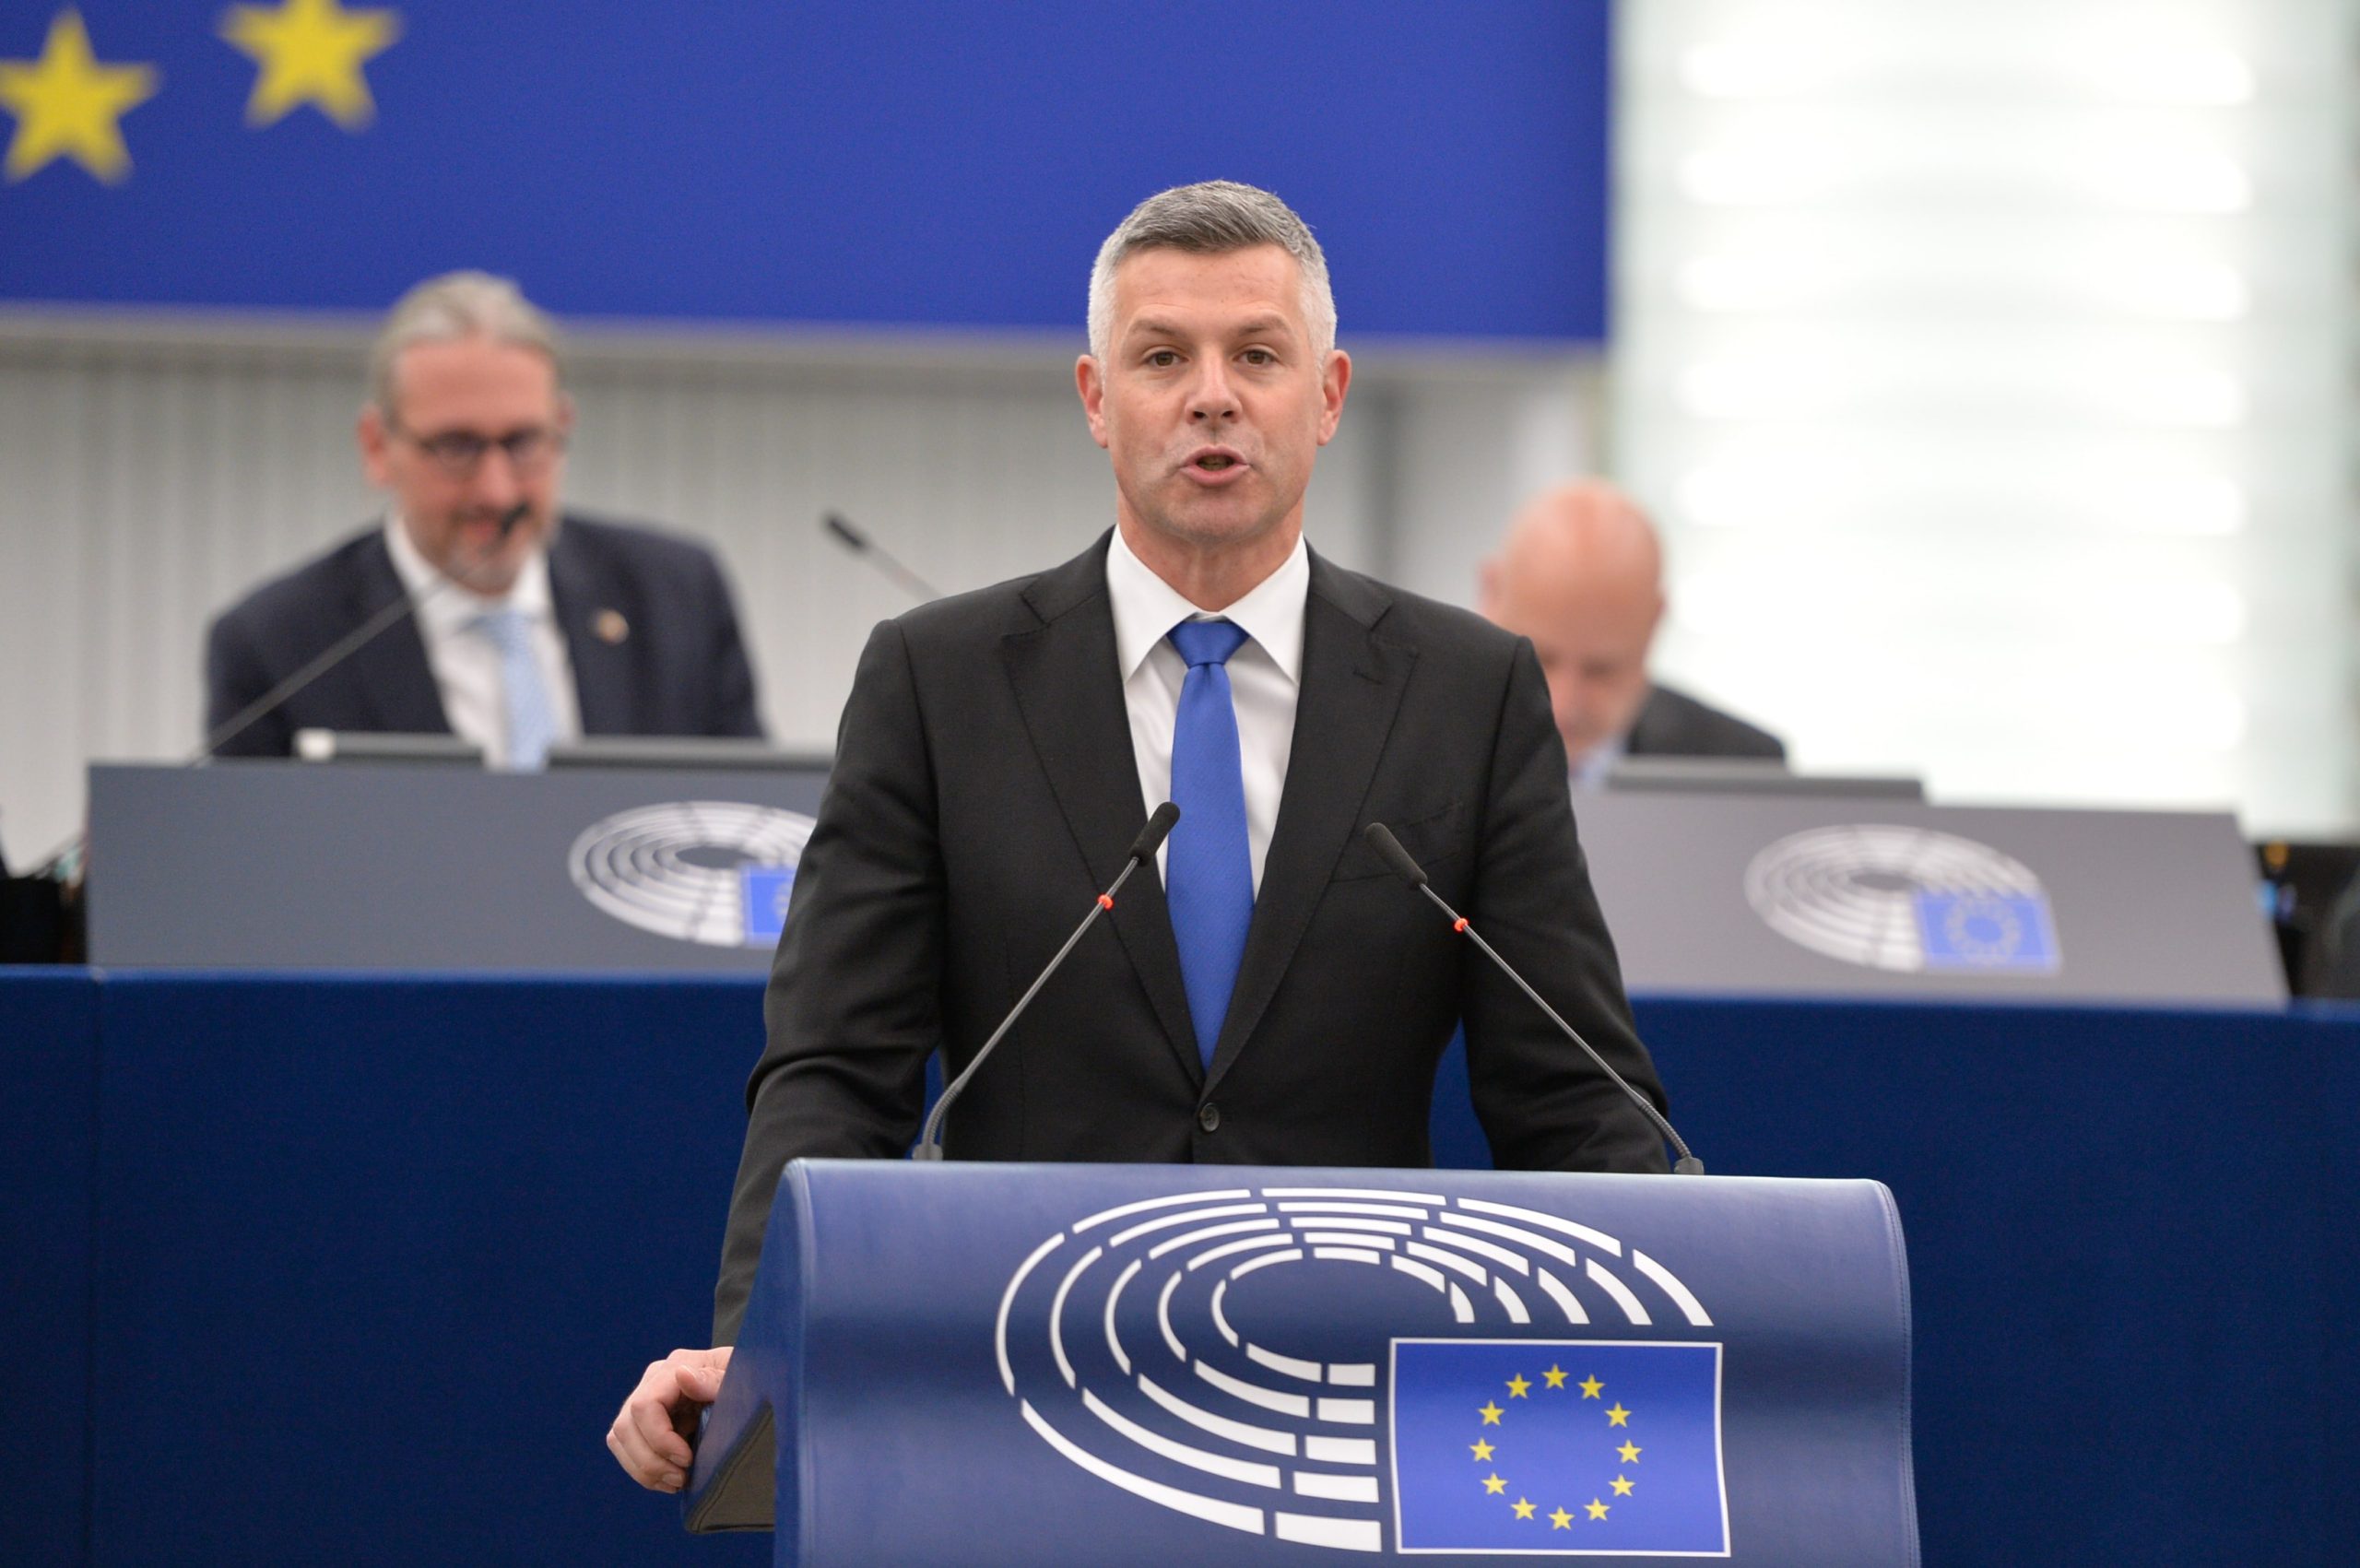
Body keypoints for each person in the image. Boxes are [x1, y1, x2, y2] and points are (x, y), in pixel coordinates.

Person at [607, 182, 1671, 1491]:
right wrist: (760, 1347)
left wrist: (1668, 1333)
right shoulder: (940, 683)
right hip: (1014, 1396)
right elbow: (835, 1072)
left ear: (1328, 395)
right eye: (1163, 358)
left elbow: (1572, 1092)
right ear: (1096, 399)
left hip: (1349, 1421)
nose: (1212, 397)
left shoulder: (1467, 693)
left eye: (1257, 356)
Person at [203, 272, 763, 766]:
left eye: (523, 443)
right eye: (456, 447)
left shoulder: (677, 598)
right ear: (377, 447)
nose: (496, 492)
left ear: (562, 428)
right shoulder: (280, 643)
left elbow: (752, 818)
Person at [1480, 480, 1783, 788]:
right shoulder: (1444, 750)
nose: (1563, 704)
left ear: (1655, 623)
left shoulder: (1744, 772)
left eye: (1601, 671)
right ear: (1490, 593)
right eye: (1538, 660)